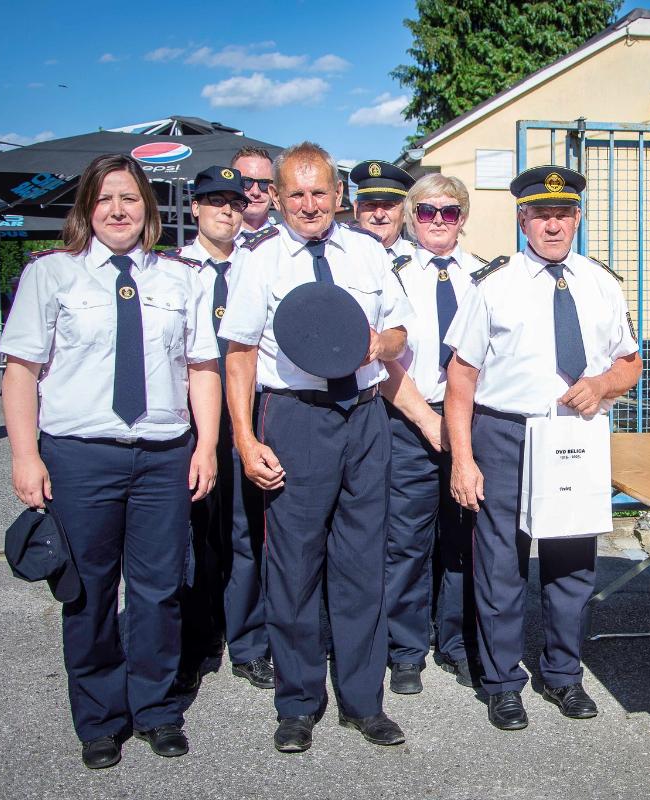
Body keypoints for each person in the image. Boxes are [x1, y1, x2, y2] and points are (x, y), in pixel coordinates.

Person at [0, 153, 221, 769]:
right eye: (104, 199)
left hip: (162, 456)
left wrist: (205, 446)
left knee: (159, 590)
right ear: (86, 209)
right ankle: (99, 720)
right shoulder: (51, 274)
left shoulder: (181, 279)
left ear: (147, 207)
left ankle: (156, 710)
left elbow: (201, 367)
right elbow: (21, 371)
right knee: (88, 592)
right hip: (80, 457)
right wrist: (24, 456)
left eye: (129, 198)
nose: (117, 210)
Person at [218, 141, 412, 752]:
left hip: (364, 415)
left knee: (362, 564)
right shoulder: (260, 261)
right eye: (296, 193)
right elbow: (239, 354)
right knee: (295, 566)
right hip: (296, 417)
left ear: (338, 195)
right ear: (277, 198)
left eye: (319, 192)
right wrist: (245, 437)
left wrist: (380, 345)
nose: (309, 204)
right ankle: (298, 704)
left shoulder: (368, 253)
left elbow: (400, 330)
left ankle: (363, 702)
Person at [444, 165, 641, 730]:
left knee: (572, 565)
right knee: (501, 564)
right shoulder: (494, 285)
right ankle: (503, 682)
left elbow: (630, 364)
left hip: (575, 434)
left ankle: (563, 674)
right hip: (506, 435)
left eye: (562, 214)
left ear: (577, 218)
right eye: (541, 215)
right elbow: (461, 377)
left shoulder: (602, 283)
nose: (552, 225)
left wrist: (602, 384)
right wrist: (463, 459)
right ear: (522, 219)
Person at [382, 173, 484, 695]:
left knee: (464, 537)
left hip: (471, 420)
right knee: (407, 539)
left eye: (449, 211)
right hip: (410, 416)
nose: (438, 220)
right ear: (411, 217)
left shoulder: (487, 276)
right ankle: (405, 649)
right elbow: (383, 361)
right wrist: (426, 419)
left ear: (462, 218)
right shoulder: (393, 275)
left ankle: (457, 641)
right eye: (426, 211)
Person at [173, 166, 272, 692]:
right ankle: (197, 639)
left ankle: (249, 643)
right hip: (186, 421)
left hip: (247, 416)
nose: (227, 211)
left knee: (245, 531)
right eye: (215, 201)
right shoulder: (171, 269)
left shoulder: (258, 266)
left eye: (235, 203)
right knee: (192, 534)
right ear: (195, 208)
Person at [349, 159, 416, 258]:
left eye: (388, 205)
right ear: (356, 210)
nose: (379, 215)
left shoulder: (419, 260)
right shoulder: (339, 258)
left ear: (405, 212)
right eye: (370, 205)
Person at [230, 146, 277, 241]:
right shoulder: (211, 242)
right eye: (246, 182)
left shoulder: (290, 243)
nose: (255, 192)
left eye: (264, 183)